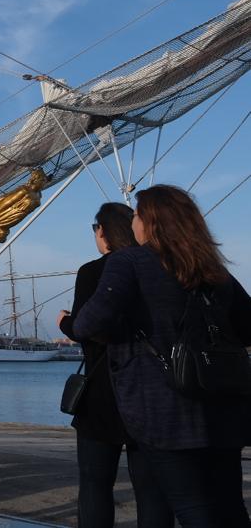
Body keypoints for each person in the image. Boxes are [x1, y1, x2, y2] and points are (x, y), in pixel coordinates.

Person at [73, 185, 251, 526]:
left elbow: (88, 322)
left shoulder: (131, 261)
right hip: (224, 404)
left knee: (190, 505)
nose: (134, 222)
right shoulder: (213, 267)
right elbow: (247, 327)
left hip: (164, 404)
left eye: (138, 215)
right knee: (229, 504)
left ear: (152, 222)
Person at [56, 202, 137, 528]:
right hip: (145, 391)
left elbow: (85, 330)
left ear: (102, 231)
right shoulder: (151, 267)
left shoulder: (92, 272)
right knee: (150, 486)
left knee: (94, 484)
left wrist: (64, 323)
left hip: (102, 389)